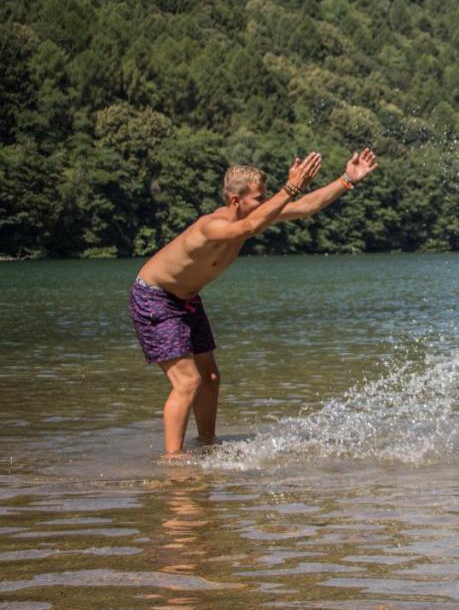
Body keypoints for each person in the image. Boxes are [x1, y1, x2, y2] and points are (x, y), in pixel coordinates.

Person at [129, 148, 378, 456]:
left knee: (210, 376)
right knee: (188, 381)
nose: (264, 203)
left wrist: (346, 180)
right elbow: (247, 228)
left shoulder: (251, 216)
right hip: (156, 298)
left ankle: (206, 445)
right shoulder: (214, 226)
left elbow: (303, 208)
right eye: (259, 198)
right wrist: (291, 187)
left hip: (187, 300)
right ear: (236, 201)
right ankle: (173, 463)